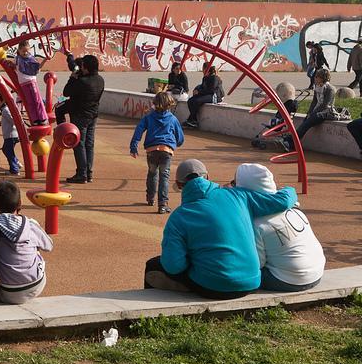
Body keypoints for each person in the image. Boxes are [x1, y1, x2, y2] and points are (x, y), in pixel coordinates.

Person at [143, 159, 297, 299]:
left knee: (153, 266)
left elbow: (174, 266)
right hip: (252, 281)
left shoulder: (179, 217)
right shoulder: (238, 195)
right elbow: (283, 200)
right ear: (208, 177)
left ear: (179, 185)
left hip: (213, 287)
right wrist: (289, 188)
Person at [233, 163, 325, 292]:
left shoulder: (257, 223)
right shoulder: (295, 209)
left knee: (239, 272)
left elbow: (257, 264)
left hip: (287, 280)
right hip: (316, 273)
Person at [0, 180, 53, 304]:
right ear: (20, 203)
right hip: (36, 285)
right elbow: (48, 246)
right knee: (35, 248)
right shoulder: (30, 224)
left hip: (8, 291)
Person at [129, 91, 185, 214]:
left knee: (152, 173)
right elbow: (180, 137)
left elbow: (138, 131)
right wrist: (177, 144)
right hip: (166, 150)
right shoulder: (172, 119)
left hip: (151, 150)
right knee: (164, 176)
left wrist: (134, 147)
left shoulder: (148, 117)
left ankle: (150, 198)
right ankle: (163, 204)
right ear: (169, 104)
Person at [57, 53, 104, 184]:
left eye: (82, 65)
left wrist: (72, 78)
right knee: (89, 144)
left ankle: (81, 174)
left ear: (86, 67)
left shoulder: (82, 82)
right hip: (93, 115)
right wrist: (70, 57)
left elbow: (66, 92)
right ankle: (88, 173)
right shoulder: (100, 80)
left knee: (79, 144)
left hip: (80, 115)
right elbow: (74, 66)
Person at [288, 68, 334, 145]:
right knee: (305, 122)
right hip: (316, 111)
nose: (314, 78)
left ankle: (291, 141)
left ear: (323, 78)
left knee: (307, 123)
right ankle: (292, 140)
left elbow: (325, 105)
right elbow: (314, 101)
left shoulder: (330, 89)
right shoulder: (317, 87)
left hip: (326, 112)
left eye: (316, 77)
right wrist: (309, 112)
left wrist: (313, 113)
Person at [11, 41, 48, 125]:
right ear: (19, 50)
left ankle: (42, 118)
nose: (25, 53)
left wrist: (44, 60)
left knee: (37, 100)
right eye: (23, 51)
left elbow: (37, 69)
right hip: (23, 83)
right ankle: (34, 119)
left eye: (27, 51)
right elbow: (13, 66)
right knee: (29, 101)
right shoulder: (17, 59)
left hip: (32, 81)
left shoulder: (31, 58)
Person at [183, 64, 223, 129]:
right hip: (207, 94)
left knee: (197, 101)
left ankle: (192, 120)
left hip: (215, 96)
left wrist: (199, 92)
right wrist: (196, 90)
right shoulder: (205, 78)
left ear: (207, 69)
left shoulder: (215, 78)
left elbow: (211, 90)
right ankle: (193, 119)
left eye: (203, 69)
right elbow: (202, 87)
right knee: (190, 100)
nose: (202, 70)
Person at [0, 94, 21, 175]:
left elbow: (13, 120)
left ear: (3, 101)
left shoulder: (5, 110)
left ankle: (14, 169)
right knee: (6, 149)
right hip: (12, 135)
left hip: (11, 135)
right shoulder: (8, 109)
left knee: (8, 151)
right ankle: (16, 163)